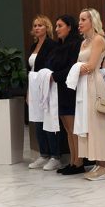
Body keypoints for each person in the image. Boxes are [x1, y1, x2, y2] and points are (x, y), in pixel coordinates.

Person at [76, 8, 105, 181]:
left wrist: (76, 69)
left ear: (92, 21)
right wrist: (78, 68)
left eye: (83, 19)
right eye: (79, 19)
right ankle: (98, 163)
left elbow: (90, 66)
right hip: (83, 84)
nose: (80, 23)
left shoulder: (98, 39)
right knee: (88, 123)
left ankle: (104, 166)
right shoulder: (84, 42)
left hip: (94, 84)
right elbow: (80, 65)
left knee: (98, 123)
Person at [49, 14, 83, 174]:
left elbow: (72, 68)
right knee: (68, 129)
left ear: (69, 27)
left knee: (73, 128)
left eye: (60, 26)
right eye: (56, 26)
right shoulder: (59, 45)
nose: (57, 29)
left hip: (70, 89)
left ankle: (79, 163)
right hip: (60, 89)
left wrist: (54, 76)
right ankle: (72, 161)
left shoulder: (76, 44)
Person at [27, 15, 60, 170]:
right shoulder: (33, 46)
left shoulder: (52, 45)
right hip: (33, 86)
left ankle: (55, 156)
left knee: (48, 120)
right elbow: (30, 69)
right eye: (35, 25)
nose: (37, 28)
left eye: (40, 25)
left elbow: (51, 65)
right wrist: (28, 91)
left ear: (47, 28)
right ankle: (43, 154)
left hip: (46, 85)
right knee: (37, 121)